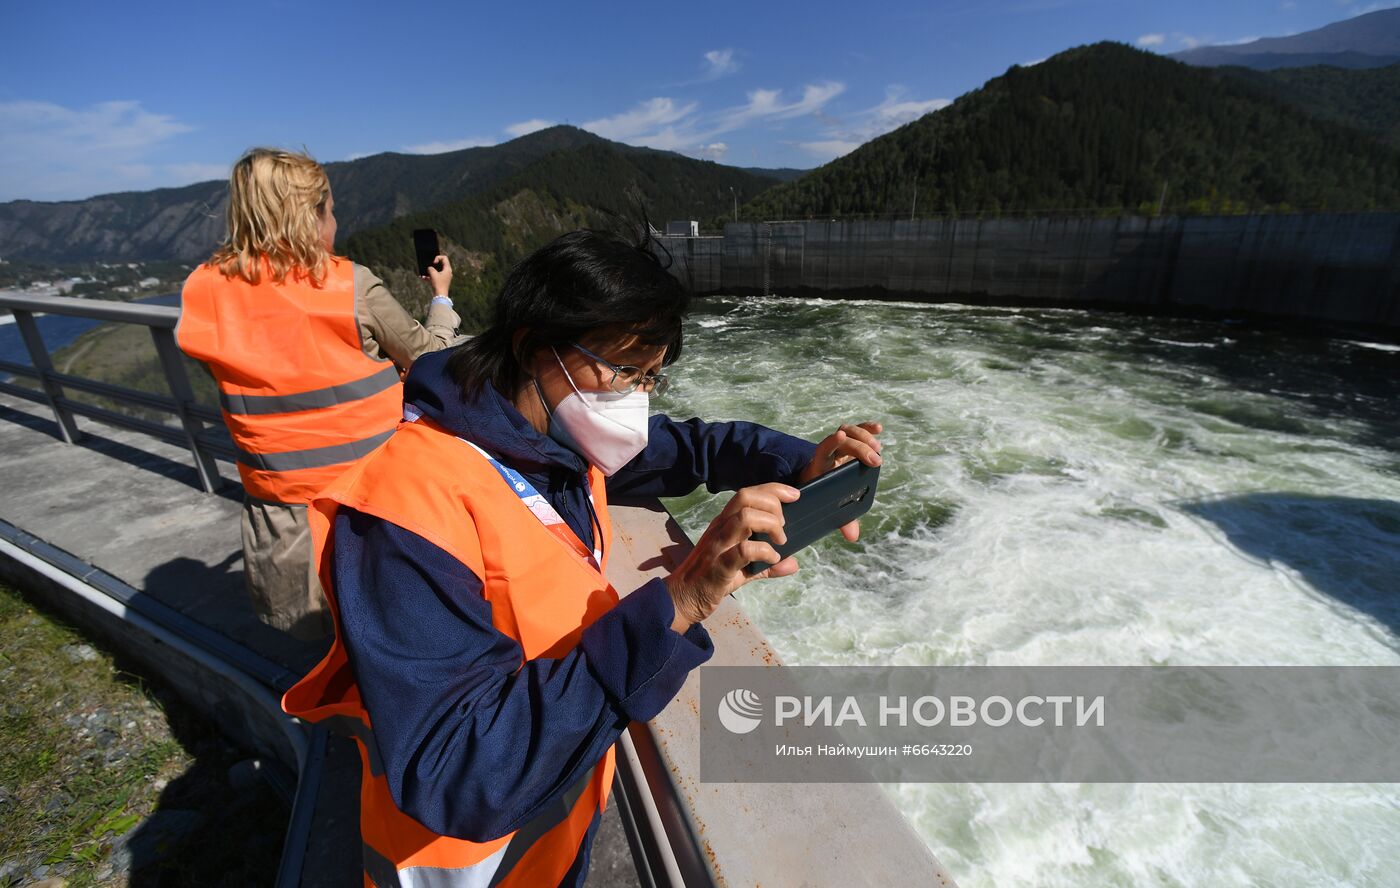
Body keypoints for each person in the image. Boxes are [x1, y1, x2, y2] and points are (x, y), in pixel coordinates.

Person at [281, 227, 883, 886]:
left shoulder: (556, 439)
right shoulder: (403, 512)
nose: (635, 398)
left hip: (555, 831)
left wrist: (801, 463)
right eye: (622, 369)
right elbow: (456, 770)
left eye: (650, 376)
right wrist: (680, 602)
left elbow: (690, 447)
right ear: (532, 346)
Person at [177, 147, 462, 640]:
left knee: (325, 647)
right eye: (329, 211)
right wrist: (441, 297)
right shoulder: (350, 287)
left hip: (287, 521)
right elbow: (429, 358)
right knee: (392, 640)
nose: (334, 222)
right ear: (309, 216)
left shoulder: (204, 293)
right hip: (375, 506)